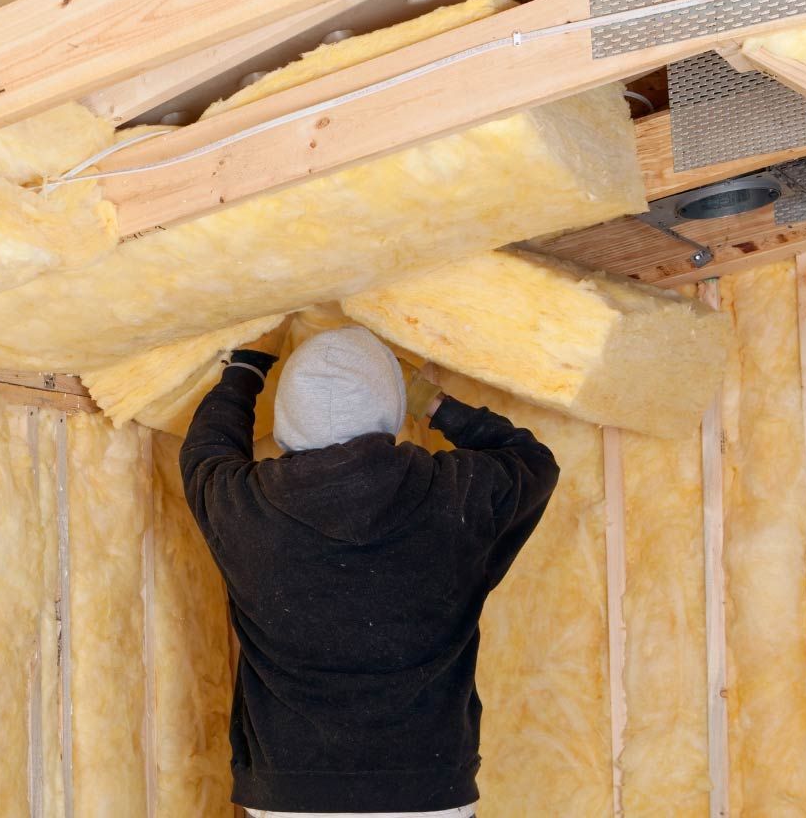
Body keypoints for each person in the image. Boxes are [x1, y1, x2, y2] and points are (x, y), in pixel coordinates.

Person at [180, 325, 560, 818]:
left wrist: (247, 368)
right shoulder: (457, 493)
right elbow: (533, 460)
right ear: (390, 409)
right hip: (429, 791)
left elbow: (205, 449)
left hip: (290, 795)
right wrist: (432, 402)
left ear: (291, 418)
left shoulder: (242, 506)